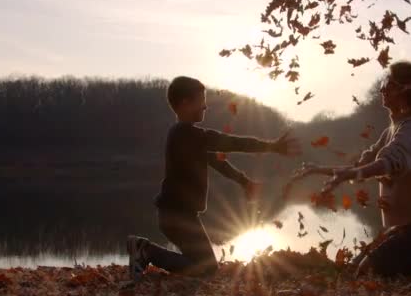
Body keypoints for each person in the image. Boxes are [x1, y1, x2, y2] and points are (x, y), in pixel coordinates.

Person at [293, 61, 411, 277]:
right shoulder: (394, 128)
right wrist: (320, 169)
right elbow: (361, 165)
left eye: (387, 84)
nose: (382, 89)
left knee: (373, 268)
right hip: (408, 227)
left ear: (406, 89)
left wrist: (353, 174)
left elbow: (389, 162)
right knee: (357, 266)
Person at [127, 76, 301, 279]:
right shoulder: (184, 134)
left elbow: (218, 163)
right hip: (176, 215)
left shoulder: (187, 137)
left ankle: (145, 250)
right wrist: (272, 146)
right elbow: (231, 143)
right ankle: (145, 250)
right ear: (185, 103)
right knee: (206, 269)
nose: (205, 106)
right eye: (201, 100)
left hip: (178, 214)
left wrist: (245, 182)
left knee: (204, 265)